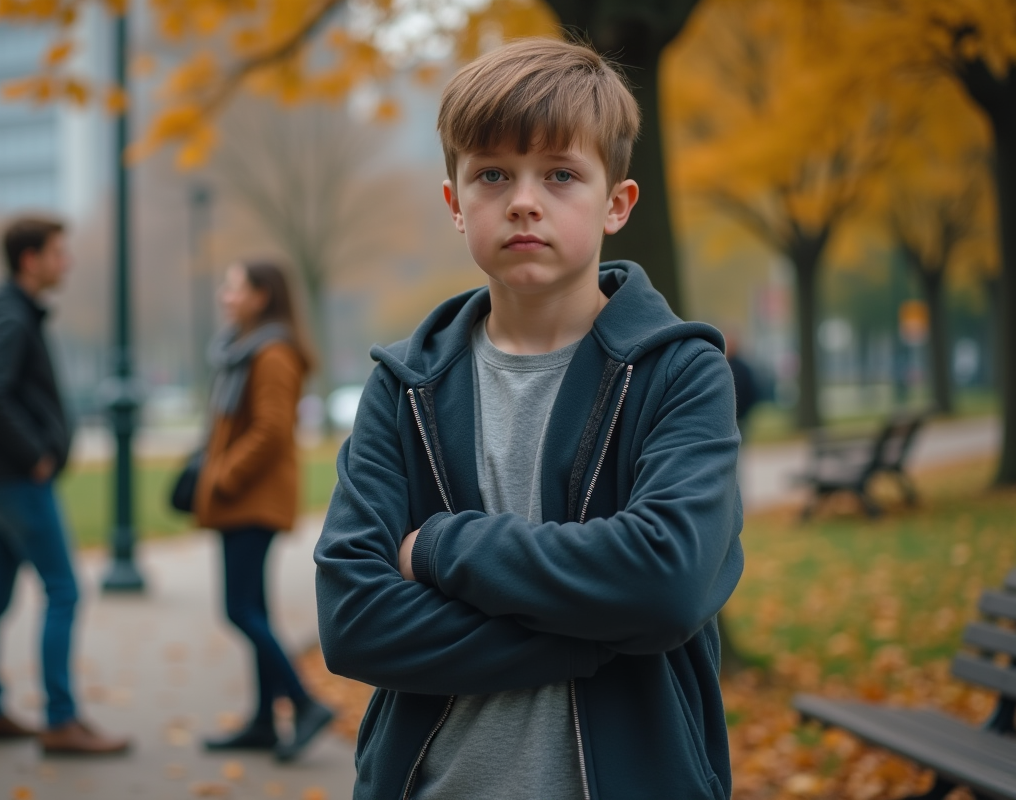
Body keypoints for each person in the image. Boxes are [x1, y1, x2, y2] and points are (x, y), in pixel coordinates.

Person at [314, 38, 744, 800]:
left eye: (560, 175)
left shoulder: (680, 372)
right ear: (455, 203)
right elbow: (354, 621)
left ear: (617, 203)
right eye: (491, 174)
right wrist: (604, 632)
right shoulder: (403, 387)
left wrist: (444, 545)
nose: (522, 199)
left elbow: (665, 584)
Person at [0, 216, 129, 755]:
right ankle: (61, 719)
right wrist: (33, 452)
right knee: (64, 589)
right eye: (59, 252)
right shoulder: (11, 318)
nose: (68, 262)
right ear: (30, 259)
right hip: (16, 481)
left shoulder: (10, 313)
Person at [195, 260, 334, 762]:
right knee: (253, 607)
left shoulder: (272, 352)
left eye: (232, 286)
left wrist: (223, 474)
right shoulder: (243, 349)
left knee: (241, 609)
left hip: (252, 499)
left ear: (260, 296)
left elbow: (273, 429)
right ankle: (261, 722)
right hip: (243, 501)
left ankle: (304, 703)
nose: (224, 294)